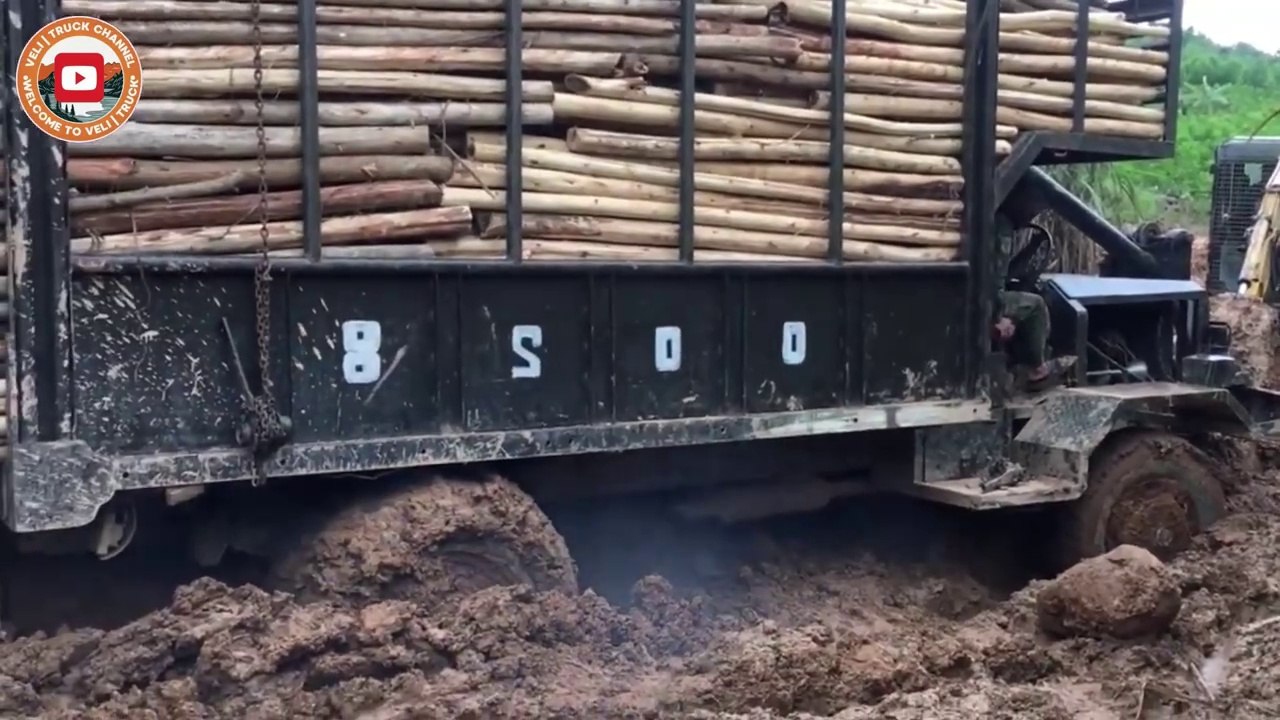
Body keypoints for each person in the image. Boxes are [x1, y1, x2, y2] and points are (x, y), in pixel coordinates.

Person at [994, 289, 1071, 391]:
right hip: (983, 299)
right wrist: (1002, 317)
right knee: (1037, 303)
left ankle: (1017, 366)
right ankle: (1037, 368)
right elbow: (996, 289)